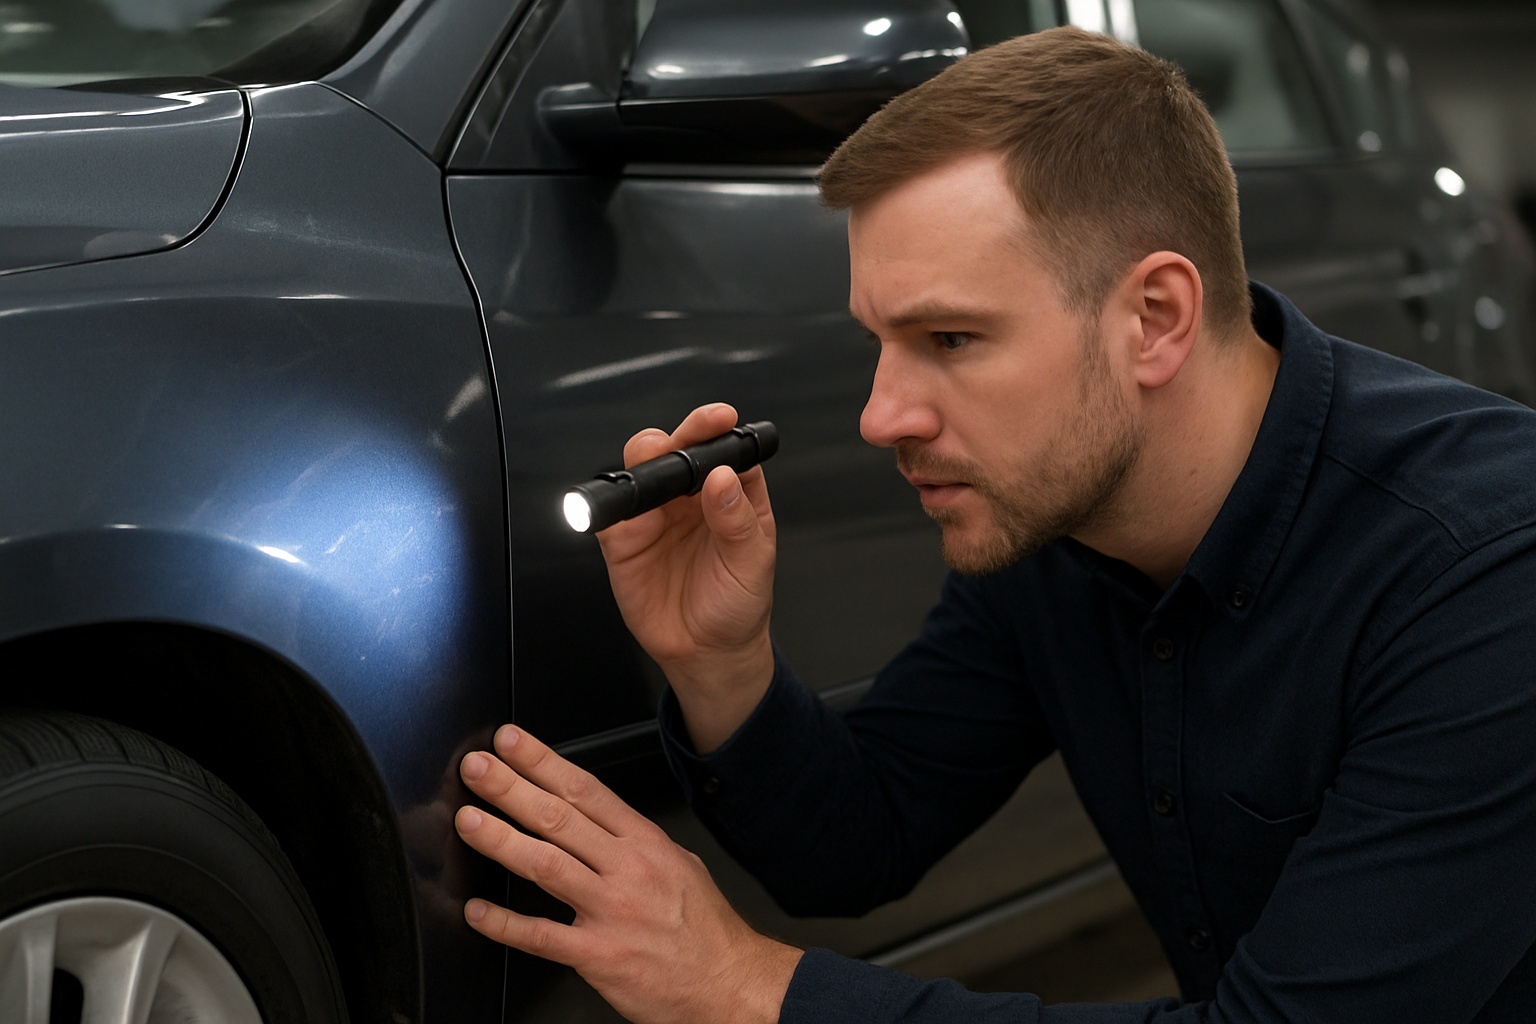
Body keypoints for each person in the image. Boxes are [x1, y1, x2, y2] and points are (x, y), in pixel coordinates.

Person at [452, 26, 1536, 1023]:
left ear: (1154, 317)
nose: (883, 416)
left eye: (953, 338)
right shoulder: (1061, 530)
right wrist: (719, 660)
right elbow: (860, 842)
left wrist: (743, 984)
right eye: (881, 340)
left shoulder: (1486, 570)